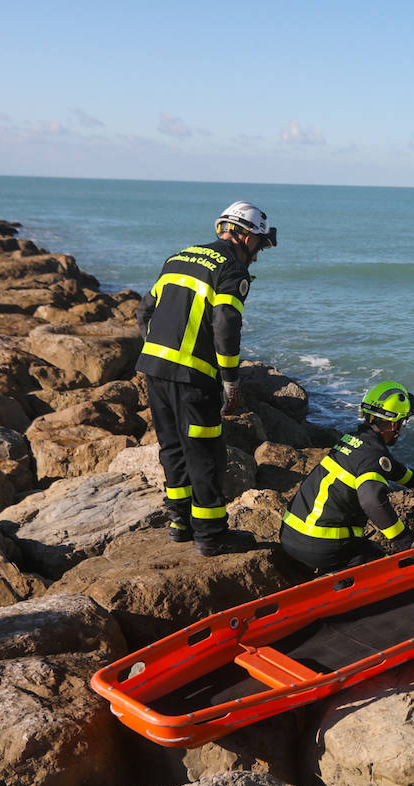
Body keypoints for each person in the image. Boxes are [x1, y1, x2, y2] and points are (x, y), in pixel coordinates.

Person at [136, 201, 276, 557]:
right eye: (258, 245)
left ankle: (179, 524)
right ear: (245, 236)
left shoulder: (179, 257)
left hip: (154, 369)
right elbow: (226, 324)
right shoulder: (231, 269)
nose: (257, 257)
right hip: (193, 378)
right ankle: (211, 535)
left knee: (172, 448)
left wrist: (157, 350)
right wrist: (230, 379)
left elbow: (144, 311)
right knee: (205, 453)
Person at [280, 381, 414, 575]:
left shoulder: (352, 440)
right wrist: (406, 540)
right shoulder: (373, 456)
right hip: (321, 546)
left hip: (290, 536)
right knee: (379, 564)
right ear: (393, 423)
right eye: (403, 422)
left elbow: (388, 467)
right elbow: (372, 501)